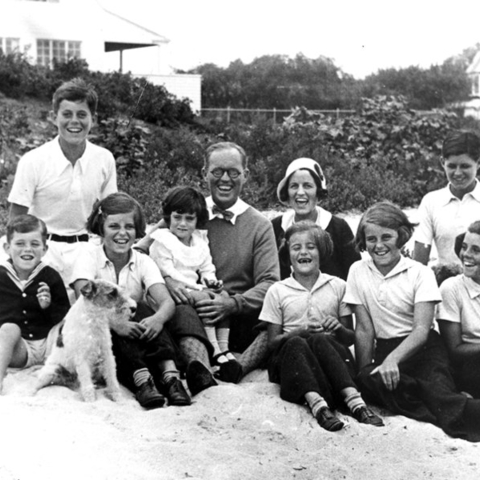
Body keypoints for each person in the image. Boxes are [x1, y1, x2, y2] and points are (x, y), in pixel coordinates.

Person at [136, 142, 280, 390]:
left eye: (234, 172)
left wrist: (233, 304)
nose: (225, 179)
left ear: (246, 175)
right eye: (217, 171)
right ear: (204, 173)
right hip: (192, 311)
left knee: (280, 316)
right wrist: (168, 282)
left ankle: (239, 367)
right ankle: (200, 369)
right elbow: (140, 252)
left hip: (237, 315)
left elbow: (270, 282)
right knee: (183, 310)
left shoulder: (259, 225)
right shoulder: (187, 211)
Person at [345, 201, 480, 441]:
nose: (379, 245)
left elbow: (421, 330)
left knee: (437, 389)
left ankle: (466, 410)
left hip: (425, 349)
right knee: (368, 380)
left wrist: (392, 360)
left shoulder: (420, 272)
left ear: (402, 236)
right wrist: (365, 373)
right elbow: (364, 330)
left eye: (387, 236)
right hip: (386, 348)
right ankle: (451, 404)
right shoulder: (357, 270)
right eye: (371, 239)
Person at [70, 193, 191, 409]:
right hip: (100, 338)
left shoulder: (142, 261)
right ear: (101, 228)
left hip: (137, 337)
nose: (122, 233)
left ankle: (171, 376)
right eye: (114, 226)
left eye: (129, 227)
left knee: (143, 308)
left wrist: (158, 319)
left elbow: (167, 302)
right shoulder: (89, 255)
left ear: (137, 231)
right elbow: (84, 294)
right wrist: (118, 325)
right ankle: (142, 381)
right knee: (115, 315)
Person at [260, 221, 383, 431]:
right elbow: (272, 343)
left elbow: (348, 338)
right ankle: (318, 405)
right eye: (296, 247)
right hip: (292, 363)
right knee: (298, 341)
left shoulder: (338, 286)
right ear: (287, 254)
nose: (303, 252)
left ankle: (355, 402)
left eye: (311, 246)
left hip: (330, 362)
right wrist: (298, 332)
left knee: (320, 338)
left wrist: (337, 328)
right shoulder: (277, 290)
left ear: (321, 251)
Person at [7, 78, 117, 297]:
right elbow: (17, 219)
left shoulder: (104, 159)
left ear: (92, 119)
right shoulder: (33, 160)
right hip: (42, 248)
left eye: (82, 114)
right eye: (67, 114)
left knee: (96, 306)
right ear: (53, 117)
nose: (74, 122)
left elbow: (112, 212)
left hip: (86, 248)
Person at [150, 186, 236, 366]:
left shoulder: (199, 241)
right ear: (168, 217)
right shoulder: (163, 241)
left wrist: (211, 282)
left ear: (197, 220)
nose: (182, 223)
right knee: (206, 298)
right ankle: (214, 348)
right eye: (177, 217)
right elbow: (167, 271)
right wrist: (198, 288)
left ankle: (224, 346)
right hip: (174, 291)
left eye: (189, 219)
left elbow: (206, 266)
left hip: (194, 288)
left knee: (223, 297)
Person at [0, 214, 70, 393]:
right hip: (21, 350)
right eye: (20, 244)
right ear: (7, 248)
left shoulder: (50, 276)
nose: (27, 249)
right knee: (8, 329)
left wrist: (48, 307)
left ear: (45, 249)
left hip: (50, 345)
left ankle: (67, 371)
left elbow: (64, 313)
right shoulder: (1, 276)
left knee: (67, 326)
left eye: (35, 244)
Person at [272, 157, 360, 281]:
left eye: (307, 186)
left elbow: (355, 275)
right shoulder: (275, 227)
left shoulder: (339, 228)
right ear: (287, 192)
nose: (300, 192)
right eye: (294, 186)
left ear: (318, 192)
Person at [413, 130, 480, 266]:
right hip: (445, 282)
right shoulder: (431, 202)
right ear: (442, 162)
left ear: (478, 163)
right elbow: (420, 260)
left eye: (465, 166)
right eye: (452, 166)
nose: (458, 173)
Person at [437, 220, 480, 399]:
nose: (466, 255)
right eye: (464, 247)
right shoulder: (452, 288)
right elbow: (454, 349)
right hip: (469, 364)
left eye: (476, 250)